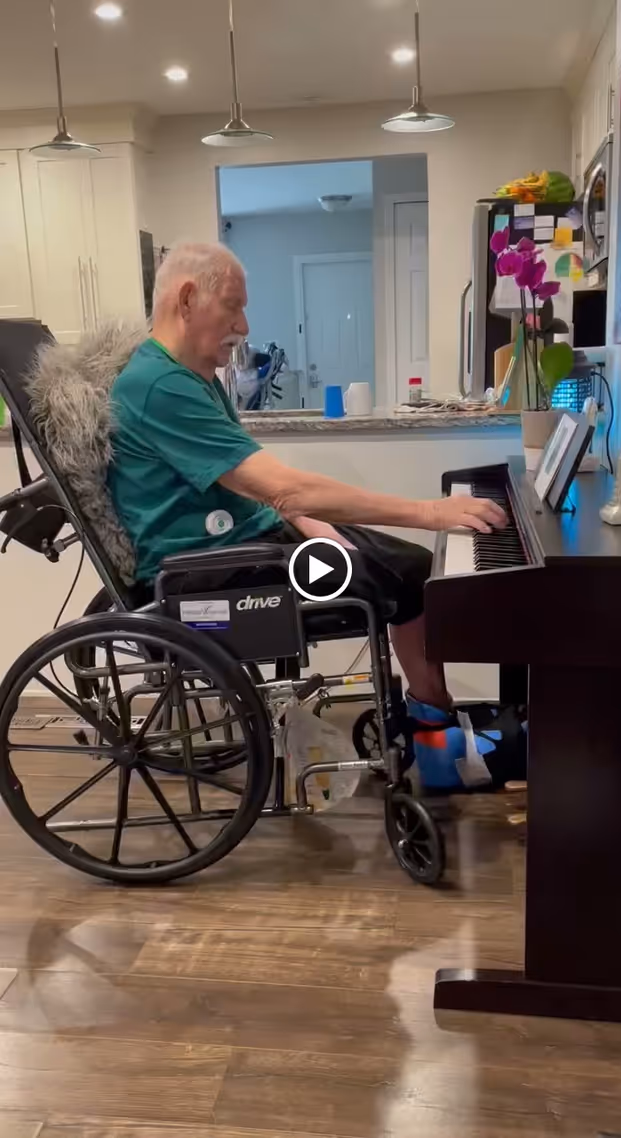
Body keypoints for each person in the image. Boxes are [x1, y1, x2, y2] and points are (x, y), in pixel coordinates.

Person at [108, 243, 515, 790]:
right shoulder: (159, 386)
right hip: (203, 577)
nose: (243, 324)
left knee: (405, 564)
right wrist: (431, 511)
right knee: (407, 573)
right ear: (187, 299)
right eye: (232, 306)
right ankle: (438, 743)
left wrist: (325, 532)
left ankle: (433, 723)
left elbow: (263, 493)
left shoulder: (189, 375)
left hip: (239, 546)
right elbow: (286, 490)